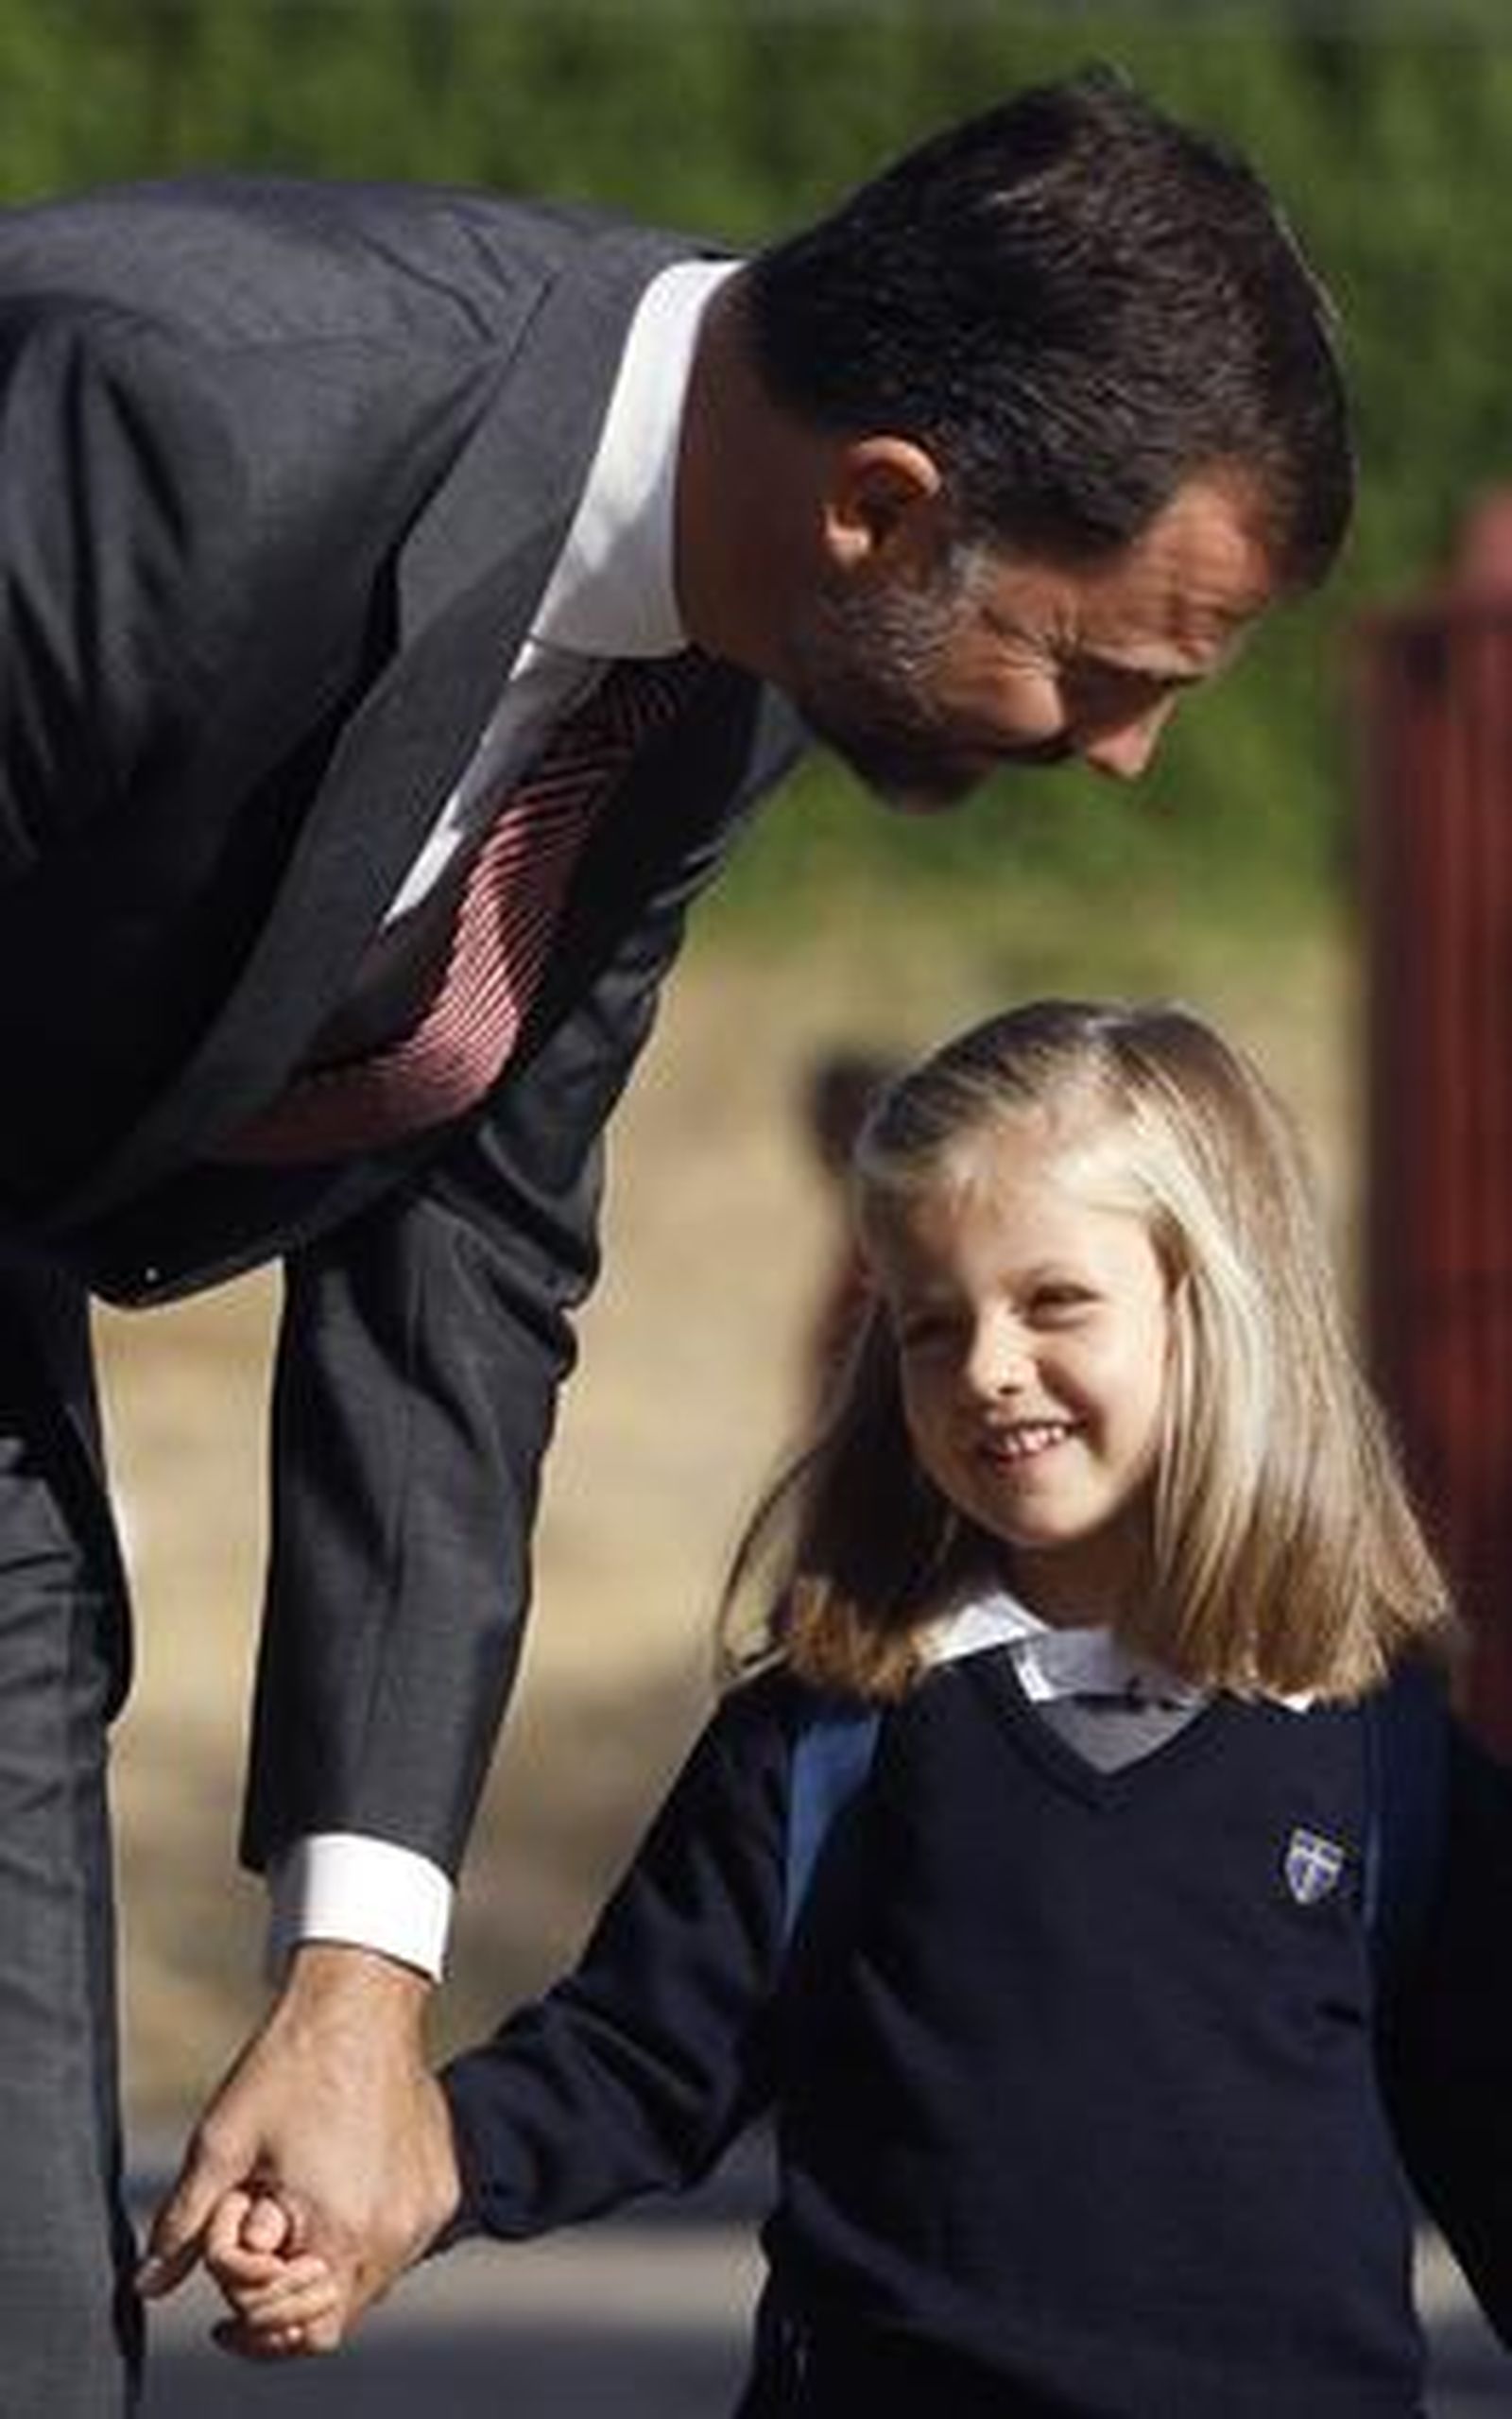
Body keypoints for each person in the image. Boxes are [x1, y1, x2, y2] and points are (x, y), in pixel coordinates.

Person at [0, 65, 1353, 2410]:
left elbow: (464, 1252)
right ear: (883, 507)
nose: (1127, 755)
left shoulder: (713, 683)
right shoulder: (166, 422)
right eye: (1110, 670)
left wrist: (355, 1989)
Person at [209, 999, 1512, 2416]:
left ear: (1220, 1307)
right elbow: (634, 2060)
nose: (988, 1369)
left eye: (1054, 1302)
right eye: (930, 1327)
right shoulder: (836, 1738)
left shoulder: (1391, 1770)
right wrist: (396, 2177)